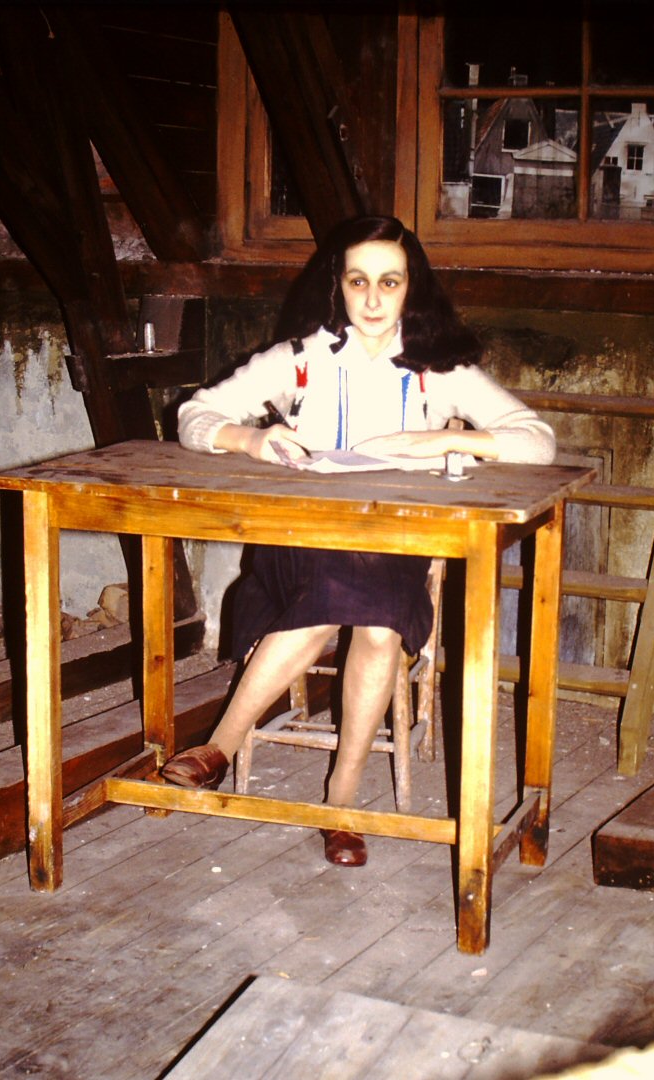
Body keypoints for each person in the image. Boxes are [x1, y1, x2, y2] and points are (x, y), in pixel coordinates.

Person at [161, 215, 556, 867]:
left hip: (391, 545)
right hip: (299, 539)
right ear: (337, 285)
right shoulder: (299, 360)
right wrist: (252, 439)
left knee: (372, 618)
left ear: (412, 288)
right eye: (358, 281)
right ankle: (322, 797)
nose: (373, 299)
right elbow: (194, 416)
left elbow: (537, 441)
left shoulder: (439, 370)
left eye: (390, 282)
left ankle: (270, 769)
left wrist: (438, 439)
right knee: (353, 604)